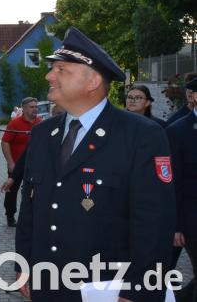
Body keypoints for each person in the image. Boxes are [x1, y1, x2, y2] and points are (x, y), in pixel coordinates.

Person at [15, 27, 175, 302]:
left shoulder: (141, 135)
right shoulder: (43, 133)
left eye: (61, 70)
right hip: (47, 285)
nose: (49, 76)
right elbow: (30, 209)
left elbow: (155, 223)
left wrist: (138, 290)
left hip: (107, 288)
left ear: (93, 81)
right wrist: (24, 265)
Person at [167, 77, 197, 302]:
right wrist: (176, 225)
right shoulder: (178, 130)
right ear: (194, 96)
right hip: (191, 217)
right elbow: (172, 181)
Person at [1, 96, 42, 227]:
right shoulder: (15, 123)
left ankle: (30, 216)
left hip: (33, 166)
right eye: (32, 107)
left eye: (36, 107)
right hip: (16, 165)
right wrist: (10, 162)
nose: (35, 109)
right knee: (12, 191)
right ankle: (10, 216)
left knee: (32, 192)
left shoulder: (40, 123)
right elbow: (5, 142)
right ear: (24, 109)